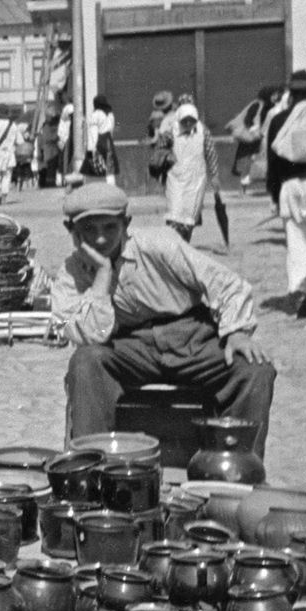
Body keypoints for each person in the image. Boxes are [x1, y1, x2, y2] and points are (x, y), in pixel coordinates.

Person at [51, 182, 273, 458]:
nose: (99, 239)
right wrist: (102, 277)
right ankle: (91, 466)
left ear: (126, 223)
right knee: (85, 362)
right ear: (70, 231)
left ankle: (238, 465)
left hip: (193, 338)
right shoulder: (69, 275)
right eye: (88, 230)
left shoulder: (159, 244)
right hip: (129, 349)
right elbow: (88, 335)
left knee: (254, 369)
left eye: (109, 227)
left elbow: (224, 283)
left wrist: (237, 333)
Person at [266, 69, 306, 316]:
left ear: (291, 93)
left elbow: (272, 162)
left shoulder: (279, 120)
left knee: (296, 244)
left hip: (289, 186)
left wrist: (274, 194)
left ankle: (298, 294)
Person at [159, 95, 219, 242]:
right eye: (184, 120)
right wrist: (166, 158)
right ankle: (174, 244)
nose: (187, 123)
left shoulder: (203, 131)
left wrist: (215, 175)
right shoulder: (170, 131)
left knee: (189, 216)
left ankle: (184, 243)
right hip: (176, 179)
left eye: (191, 120)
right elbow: (159, 151)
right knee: (174, 212)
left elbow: (211, 153)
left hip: (196, 180)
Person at [228, 86, 277, 196]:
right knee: (246, 164)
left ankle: (268, 189)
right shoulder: (257, 104)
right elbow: (248, 119)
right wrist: (254, 130)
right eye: (273, 95)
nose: (275, 97)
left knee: (261, 164)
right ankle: (241, 190)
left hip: (260, 139)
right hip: (250, 140)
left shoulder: (271, 107)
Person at [0, 111, 24, 206]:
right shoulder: (13, 125)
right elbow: (20, 141)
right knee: (7, 176)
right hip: (9, 154)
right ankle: (4, 198)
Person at [85, 95, 118, 181]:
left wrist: (90, 149)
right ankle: (111, 187)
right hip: (108, 140)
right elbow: (111, 130)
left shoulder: (96, 115)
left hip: (99, 141)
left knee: (97, 167)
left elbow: (93, 132)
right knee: (109, 166)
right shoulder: (110, 114)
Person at [35, 103, 63, 189]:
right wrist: (57, 137)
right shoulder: (47, 126)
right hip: (50, 149)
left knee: (50, 167)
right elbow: (49, 137)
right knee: (50, 167)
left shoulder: (46, 126)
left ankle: (48, 183)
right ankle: (50, 183)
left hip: (49, 149)